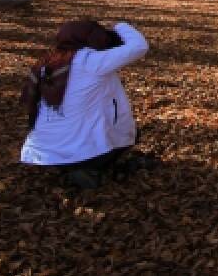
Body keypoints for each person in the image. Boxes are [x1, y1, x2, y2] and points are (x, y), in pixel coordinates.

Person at [20, 20, 150, 188]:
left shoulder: (48, 62)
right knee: (131, 133)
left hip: (43, 151)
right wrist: (120, 25)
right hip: (77, 150)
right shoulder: (90, 61)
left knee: (107, 125)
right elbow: (139, 46)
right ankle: (85, 168)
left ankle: (72, 164)